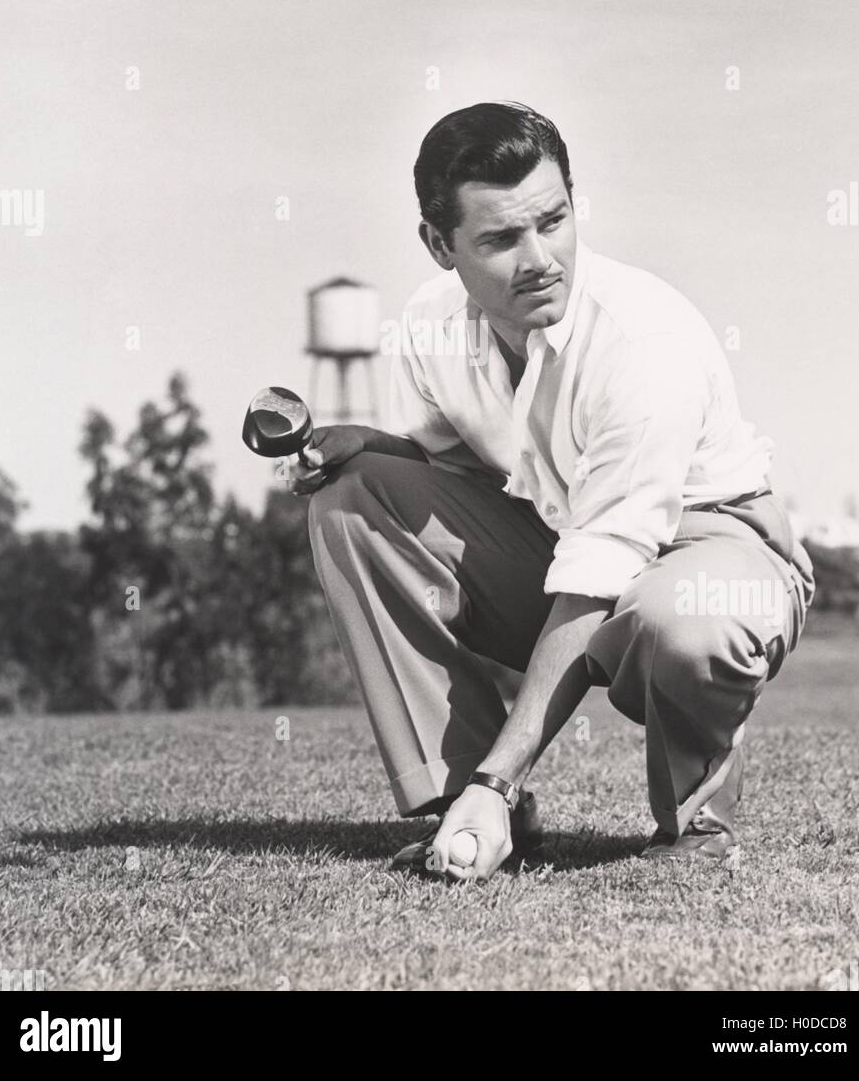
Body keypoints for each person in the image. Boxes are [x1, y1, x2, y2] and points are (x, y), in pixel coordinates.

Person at [293, 102, 815, 881]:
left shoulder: (642, 340)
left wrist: (502, 776)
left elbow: (601, 568)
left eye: (553, 221)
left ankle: (694, 826)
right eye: (500, 239)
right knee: (350, 500)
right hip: (559, 536)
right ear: (439, 246)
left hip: (707, 546)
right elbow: (454, 471)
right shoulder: (430, 324)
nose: (539, 259)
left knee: (679, 617)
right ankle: (467, 814)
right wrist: (369, 445)